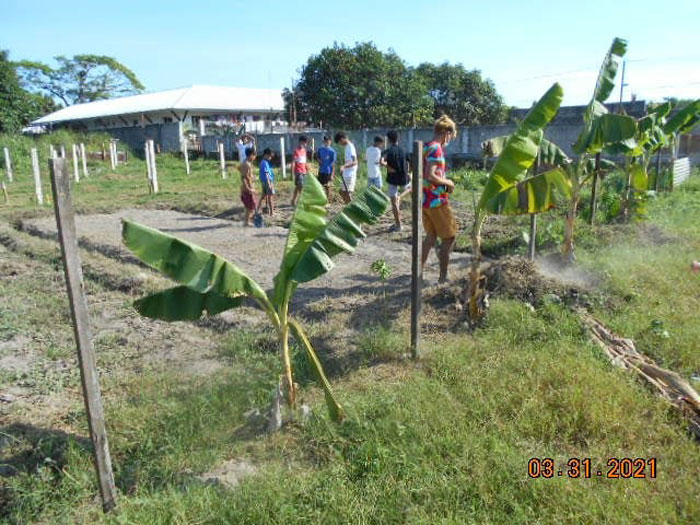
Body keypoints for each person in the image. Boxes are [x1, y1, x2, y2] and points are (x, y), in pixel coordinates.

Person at [422, 115, 458, 284]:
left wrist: (443, 184)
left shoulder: (426, 147)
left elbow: (425, 175)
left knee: (431, 236)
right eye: (451, 135)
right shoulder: (436, 149)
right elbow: (430, 175)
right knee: (449, 238)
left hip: (426, 200)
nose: (450, 139)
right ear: (446, 132)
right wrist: (448, 182)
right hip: (437, 202)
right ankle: (443, 277)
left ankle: (418, 271)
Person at [383, 130, 411, 232]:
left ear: (389, 140)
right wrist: (409, 173)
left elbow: (381, 161)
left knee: (394, 203)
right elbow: (409, 162)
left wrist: (388, 166)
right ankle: (401, 196)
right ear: (398, 139)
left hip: (392, 178)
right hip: (404, 178)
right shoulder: (404, 150)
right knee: (411, 188)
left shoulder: (388, 151)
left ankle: (398, 225)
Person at [334, 131, 357, 203]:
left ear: (342, 139)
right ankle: (349, 207)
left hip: (350, 174)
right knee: (341, 192)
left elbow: (355, 162)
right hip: (346, 173)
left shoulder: (350, 147)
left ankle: (352, 209)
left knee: (347, 193)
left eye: (339, 142)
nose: (340, 144)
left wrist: (344, 166)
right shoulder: (347, 147)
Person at [238, 147, 257, 226]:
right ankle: (247, 221)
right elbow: (244, 178)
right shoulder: (246, 164)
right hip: (247, 189)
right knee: (251, 205)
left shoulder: (246, 163)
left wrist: (252, 177)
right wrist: (249, 188)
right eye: (254, 155)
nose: (255, 157)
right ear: (251, 155)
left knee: (249, 206)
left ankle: (246, 221)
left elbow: (239, 169)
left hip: (248, 187)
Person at [291, 136, 308, 207]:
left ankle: (293, 200)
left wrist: (307, 170)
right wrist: (292, 173)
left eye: (305, 143)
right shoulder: (296, 151)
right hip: (298, 172)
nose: (305, 144)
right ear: (300, 142)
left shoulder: (304, 151)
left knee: (298, 187)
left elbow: (304, 162)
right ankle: (302, 202)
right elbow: (293, 162)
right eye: (304, 142)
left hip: (304, 171)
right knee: (301, 187)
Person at [257, 148, 275, 216]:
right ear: (266, 155)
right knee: (270, 197)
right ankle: (272, 213)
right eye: (270, 156)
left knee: (264, 196)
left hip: (264, 181)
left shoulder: (264, 162)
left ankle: (257, 210)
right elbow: (267, 173)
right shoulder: (264, 162)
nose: (270, 158)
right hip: (268, 181)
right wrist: (270, 183)